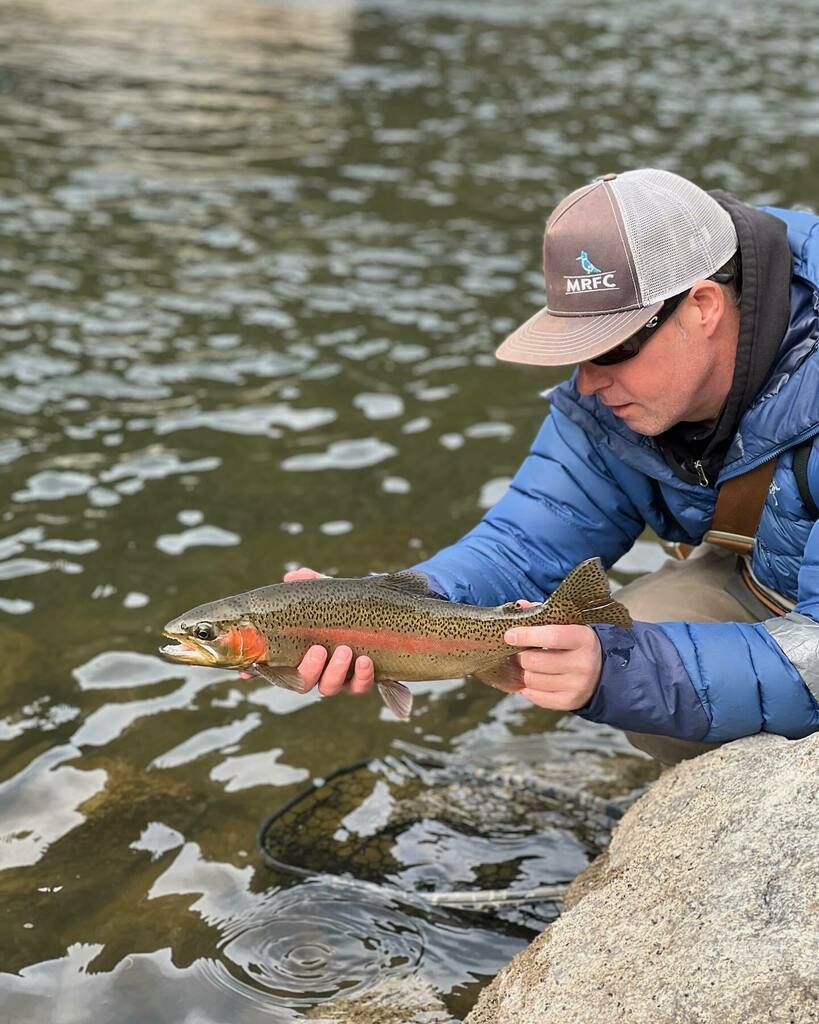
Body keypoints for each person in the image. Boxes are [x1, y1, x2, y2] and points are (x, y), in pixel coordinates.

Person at [284, 168, 819, 766]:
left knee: (632, 665)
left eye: (609, 347)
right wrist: (390, 608)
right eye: (575, 348)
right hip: (766, 572)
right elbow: (524, 544)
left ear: (703, 306)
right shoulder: (615, 400)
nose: (587, 382)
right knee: (633, 634)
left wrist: (613, 672)